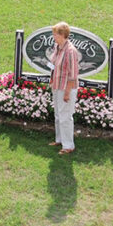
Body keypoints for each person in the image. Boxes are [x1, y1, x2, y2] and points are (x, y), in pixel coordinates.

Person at [49, 22, 79, 155]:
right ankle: (59, 139)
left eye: (55, 34)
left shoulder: (70, 51)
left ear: (62, 35)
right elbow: (55, 65)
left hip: (66, 88)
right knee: (58, 115)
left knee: (66, 116)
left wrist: (67, 92)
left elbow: (73, 75)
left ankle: (68, 145)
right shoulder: (57, 47)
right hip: (56, 85)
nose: (53, 36)